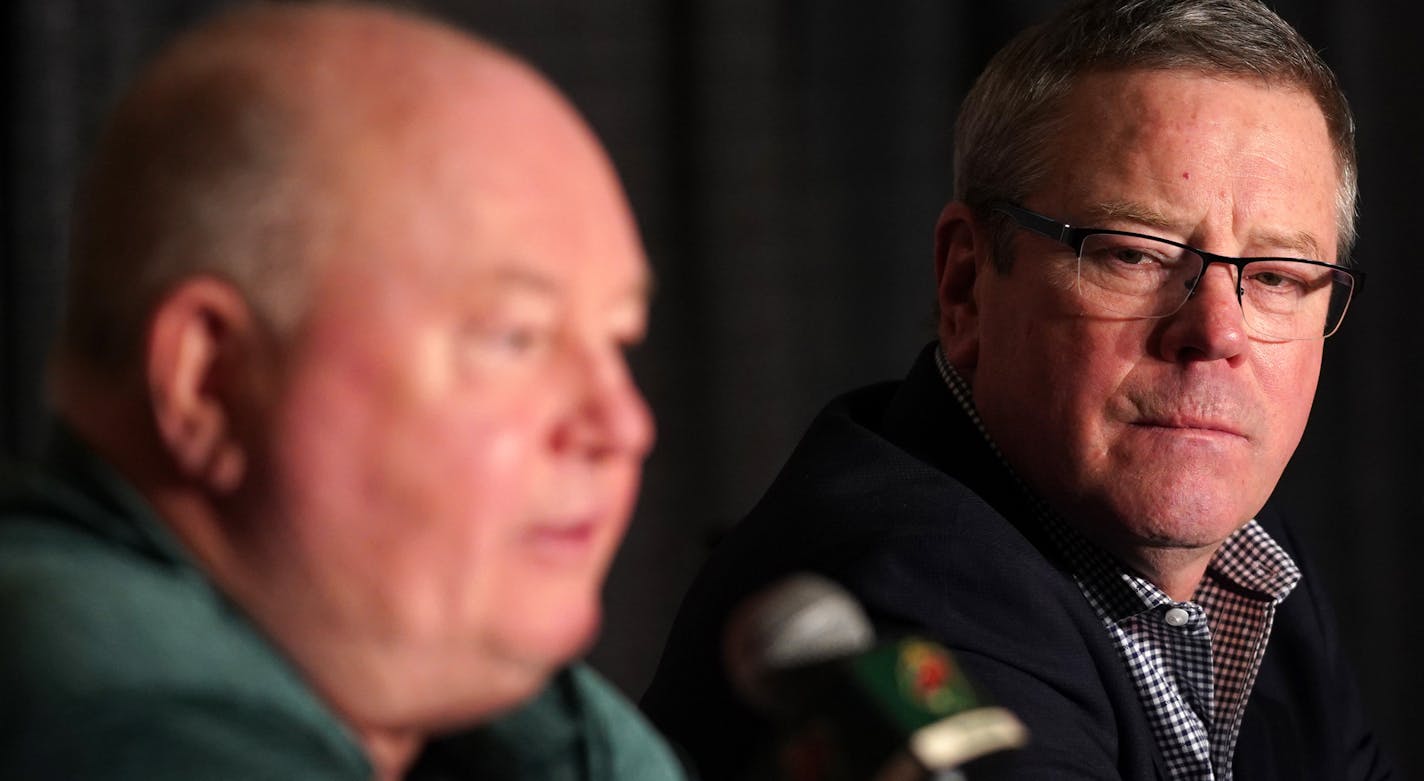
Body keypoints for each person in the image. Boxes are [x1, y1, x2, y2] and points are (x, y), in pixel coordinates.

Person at [643, 0, 1397, 778]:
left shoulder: (1247, 559)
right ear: (966, 284)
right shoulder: (915, 601)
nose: (1217, 334)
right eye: (1133, 255)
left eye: (1278, 276)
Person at [0, 3, 686, 779]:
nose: (622, 424)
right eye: (514, 338)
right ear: (207, 383)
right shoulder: (114, 720)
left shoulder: (423, 688)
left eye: (619, 339)